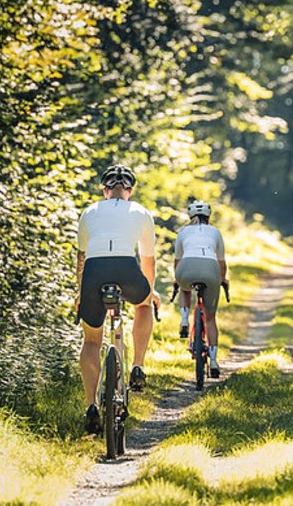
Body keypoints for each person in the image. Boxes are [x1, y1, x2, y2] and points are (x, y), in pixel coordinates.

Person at [75, 164, 161, 434]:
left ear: (105, 190)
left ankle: (91, 405)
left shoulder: (89, 212)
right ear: (130, 191)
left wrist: (81, 293)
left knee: (91, 340)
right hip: (126, 269)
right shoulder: (141, 212)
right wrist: (149, 291)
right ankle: (137, 366)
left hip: (94, 272)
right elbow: (148, 260)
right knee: (144, 304)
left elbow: (81, 259)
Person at [173, 200, 227, 377]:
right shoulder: (215, 232)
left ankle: (184, 319)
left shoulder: (183, 232)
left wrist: (177, 279)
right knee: (210, 318)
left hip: (186, 267)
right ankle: (214, 361)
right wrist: (223, 280)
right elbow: (221, 262)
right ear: (208, 216)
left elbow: (177, 260)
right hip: (211, 268)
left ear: (190, 216)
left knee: (184, 287)